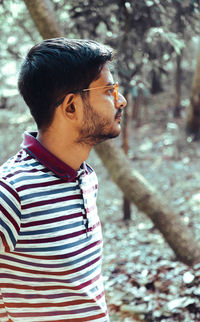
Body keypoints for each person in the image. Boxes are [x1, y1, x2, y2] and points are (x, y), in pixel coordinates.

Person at [0, 37, 127, 322]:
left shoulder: (85, 177)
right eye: (109, 91)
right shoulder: (11, 192)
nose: (121, 100)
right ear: (70, 107)